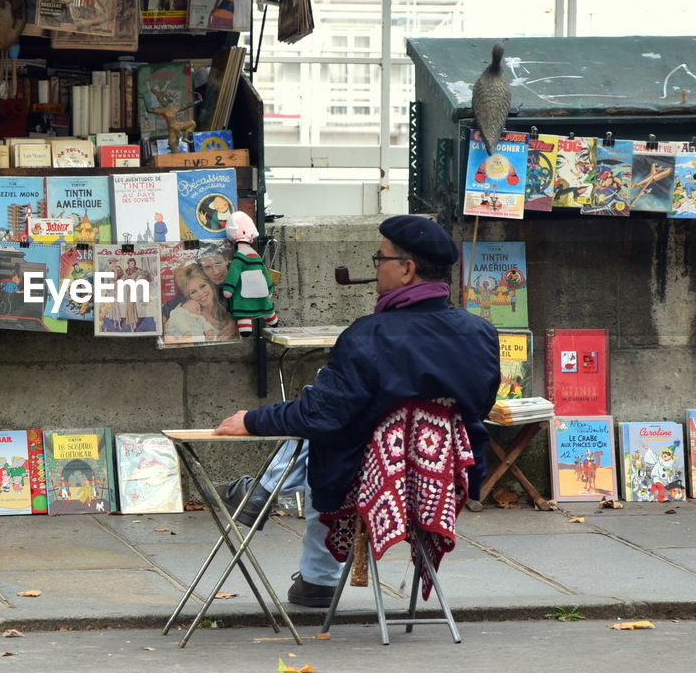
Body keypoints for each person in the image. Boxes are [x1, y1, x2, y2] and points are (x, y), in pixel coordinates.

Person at [213, 215, 500, 607]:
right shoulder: (480, 332)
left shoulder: (368, 335)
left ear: (407, 269)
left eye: (380, 258)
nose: (374, 266)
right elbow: (480, 405)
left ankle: (304, 557)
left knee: (330, 434)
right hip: (444, 476)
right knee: (344, 427)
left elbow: (323, 414)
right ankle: (304, 564)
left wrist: (252, 419)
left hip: (377, 479)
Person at [164, 263, 237, 345]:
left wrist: (237, 326)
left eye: (202, 286)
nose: (200, 293)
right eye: (193, 292)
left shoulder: (228, 305)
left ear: (211, 284)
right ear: (188, 296)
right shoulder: (188, 317)